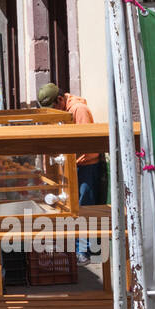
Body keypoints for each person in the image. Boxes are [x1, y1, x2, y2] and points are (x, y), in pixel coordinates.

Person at [38, 81, 101, 264]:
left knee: (83, 207)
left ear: (60, 99)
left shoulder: (78, 109)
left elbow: (87, 144)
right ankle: (75, 249)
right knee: (71, 208)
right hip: (69, 165)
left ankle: (83, 250)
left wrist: (71, 161)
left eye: (54, 107)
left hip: (85, 166)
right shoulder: (61, 111)